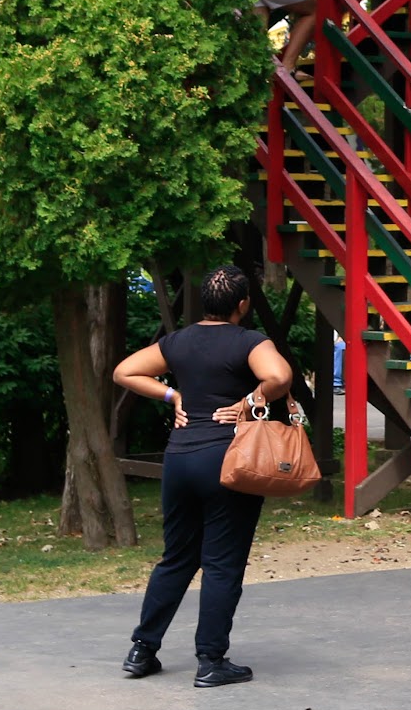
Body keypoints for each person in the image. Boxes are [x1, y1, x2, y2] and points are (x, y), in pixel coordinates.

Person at [112, 265, 295, 687]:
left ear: (204, 302)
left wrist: (172, 395)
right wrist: (248, 401)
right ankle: (211, 661)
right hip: (229, 461)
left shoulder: (177, 341)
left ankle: (142, 651)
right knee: (222, 564)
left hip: (180, 460)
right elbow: (280, 377)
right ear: (242, 304)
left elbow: (124, 371)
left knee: (177, 558)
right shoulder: (249, 341)